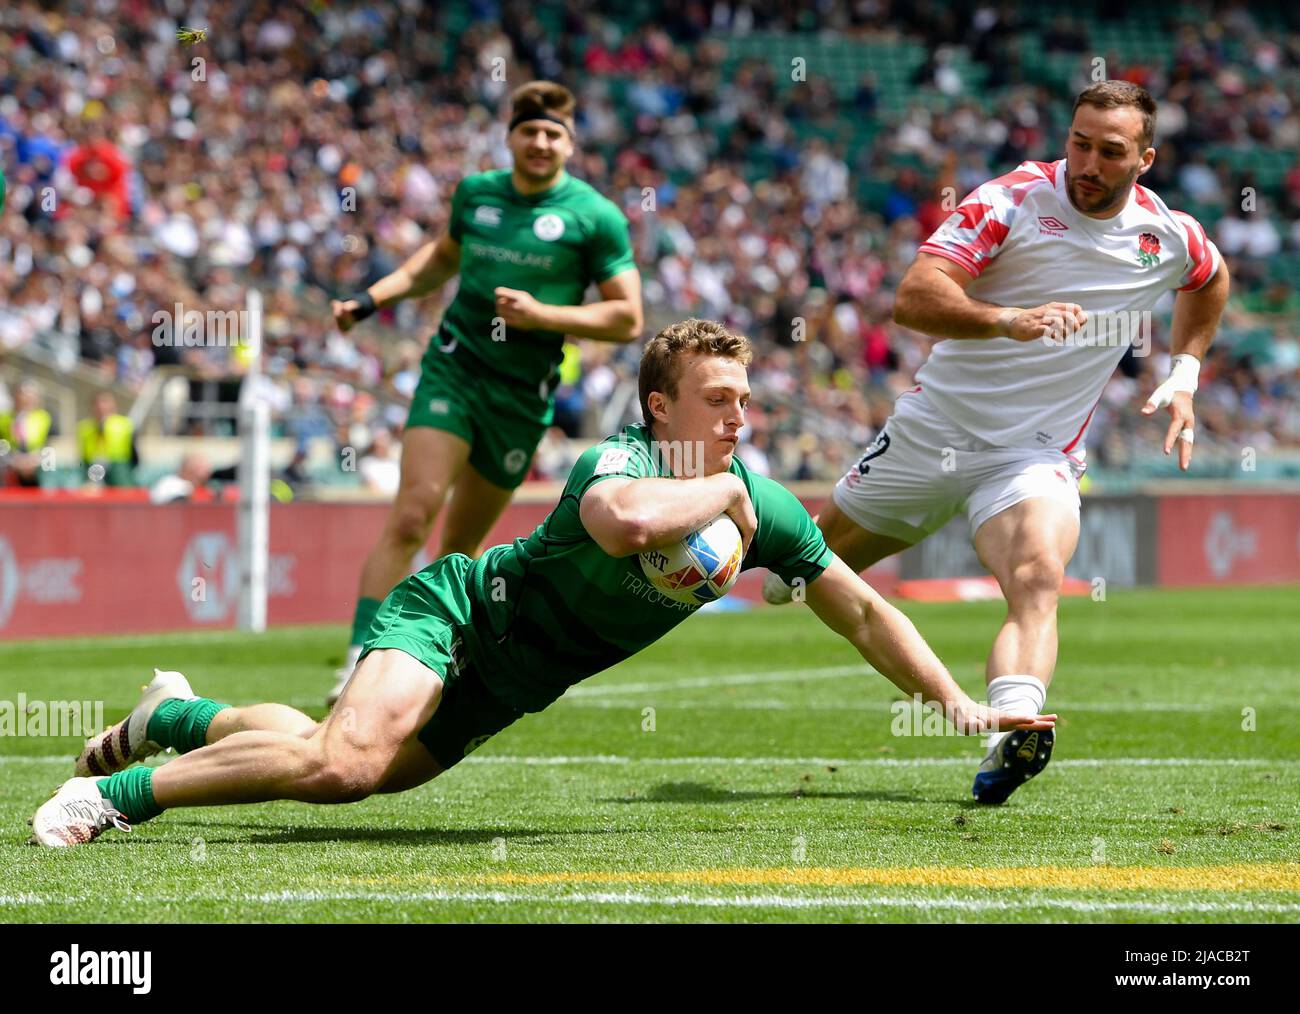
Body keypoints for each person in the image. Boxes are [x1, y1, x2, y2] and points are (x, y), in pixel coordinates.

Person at [30, 319, 1053, 847]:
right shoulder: (620, 466)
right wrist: (723, 504)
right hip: (463, 613)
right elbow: (624, 525)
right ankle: (107, 796)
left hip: (513, 686)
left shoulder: (758, 502)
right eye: (717, 400)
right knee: (341, 766)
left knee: (320, 751)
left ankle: (171, 715)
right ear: (660, 407)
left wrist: (956, 704)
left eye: (745, 399)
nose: (740, 418)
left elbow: (864, 612)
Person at [765, 81, 1228, 804]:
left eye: (1111, 151)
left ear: (1145, 159)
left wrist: (1187, 371)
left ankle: (1009, 728)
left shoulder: (1166, 234)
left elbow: (1210, 277)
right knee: (795, 575)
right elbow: (915, 297)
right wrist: (1008, 319)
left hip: (1032, 454)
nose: (1089, 162)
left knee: (1039, 574)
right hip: (933, 434)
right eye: (1079, 143)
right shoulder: (1010, 200)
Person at [327, 80, 643, 706]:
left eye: (554, 133)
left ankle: (420, 667)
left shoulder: (595, 217)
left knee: (460, 549)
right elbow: (438, 261)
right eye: (530, 131)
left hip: (522, 398)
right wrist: (372, 299)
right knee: (413, 513)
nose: (541, 142)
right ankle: (360, 659)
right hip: (454, 370)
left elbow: (628, 317)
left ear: (570, 145)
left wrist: (543, 316)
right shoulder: (476, 195)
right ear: (511, 137)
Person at [78, 391, 137, 486]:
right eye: (97, 404)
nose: (101, 407)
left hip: (119, 468)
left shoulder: (125, 425)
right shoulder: (85, 428)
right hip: (93, 467)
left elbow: (135, 454)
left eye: (105, 403)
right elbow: (82, 456)